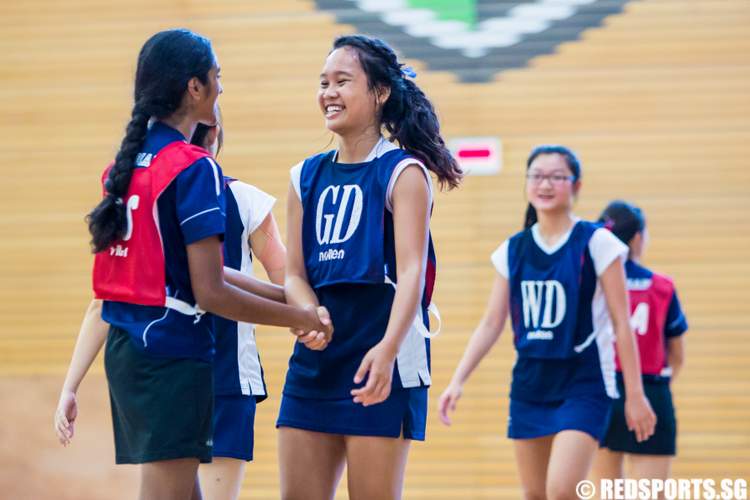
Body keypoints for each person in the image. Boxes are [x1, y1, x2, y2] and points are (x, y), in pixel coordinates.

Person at [56, 29, 329, 500]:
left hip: (132, 352)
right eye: (216, 78)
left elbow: (205, 275)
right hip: (170, 354)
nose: (221, 88)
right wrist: (298, 317)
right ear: (195, 88)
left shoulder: (128, 167)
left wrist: (290, 301)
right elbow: (211, 293)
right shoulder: (193, 168)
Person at [276, 34, 462, 500]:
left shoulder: (404, 173)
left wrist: (388, 349)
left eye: (342, 81)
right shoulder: (304, 176)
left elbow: (412, 274)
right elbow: (294, 273)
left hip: (382, 356)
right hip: (316, 363)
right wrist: (306, 315)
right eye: (323, 83)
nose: (328, 93)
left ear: (379, 93)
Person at [438, 145, 656, 500]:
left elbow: (621, 324)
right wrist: (458, 379)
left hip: (583, 383)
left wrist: (634, 394)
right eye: (537, 176)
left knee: (562, 490)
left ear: (576, 185)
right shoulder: (513, 249)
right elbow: (492, 323)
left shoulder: (598, 242)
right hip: (530, 383)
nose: (546, 184)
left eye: (557, 177)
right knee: (535, 494)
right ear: (526, 183)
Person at [592, 201, 688, 486]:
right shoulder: (662, 287)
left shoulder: (593, 286)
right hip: (650, 390)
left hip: (600, 390)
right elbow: (677, 354)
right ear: (637, 238)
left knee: (606, 491)